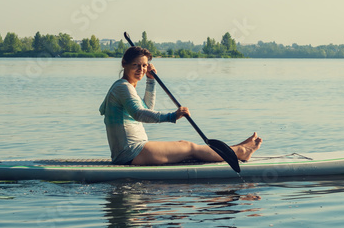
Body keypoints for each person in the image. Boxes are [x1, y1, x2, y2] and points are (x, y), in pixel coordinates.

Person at [99, 46, 262, 166]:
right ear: (124, 64)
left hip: (131, 151)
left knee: (185, 145)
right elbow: (139, 114)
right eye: (136, 65)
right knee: (189, 147)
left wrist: (151, 81)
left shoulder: (126, 87)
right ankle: (241, 152)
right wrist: (172, 116)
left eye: (144, 66)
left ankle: (236, 149)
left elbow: (146, 108)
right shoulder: (123, 87)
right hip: (132, 152)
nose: (140, 69)